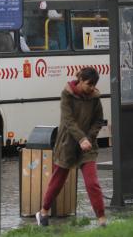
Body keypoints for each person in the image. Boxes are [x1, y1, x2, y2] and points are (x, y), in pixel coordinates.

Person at [36, 67, 107, 227]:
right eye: (89, 84)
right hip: (67, 143)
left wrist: (89, 138)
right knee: (58, 180)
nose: (91, 87)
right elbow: (68, 121)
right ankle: (43, 211)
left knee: (92, 182)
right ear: (80, 80)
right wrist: (81, 138)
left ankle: (102, 219)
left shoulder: (95, 98)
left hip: (88, 147)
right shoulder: (67, 94)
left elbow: (98, 120)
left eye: (94, 84)